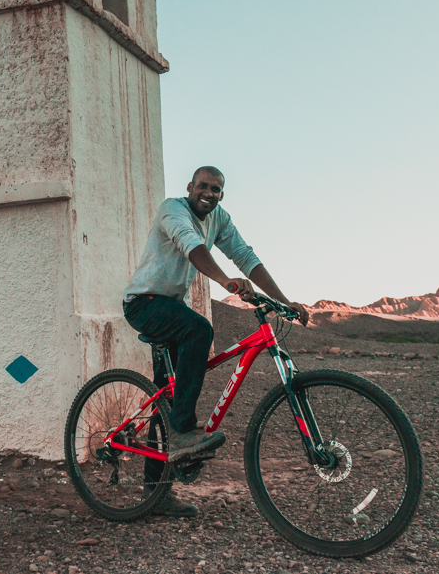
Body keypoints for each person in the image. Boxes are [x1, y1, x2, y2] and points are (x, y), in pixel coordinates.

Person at [122, 165, 309, 517]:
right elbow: (192, 247)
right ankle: (183, 433)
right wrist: (225, 281)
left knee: (170, 399)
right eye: (203, 187)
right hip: (144, 304)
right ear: (190, 187)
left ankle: (156, 493)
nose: (209, 193)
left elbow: (246, 257)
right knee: (200, 329)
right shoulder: (172, 210)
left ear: (222, 195)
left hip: (170, 308)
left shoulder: (219, 218)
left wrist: (284, 302)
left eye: (217, 189)